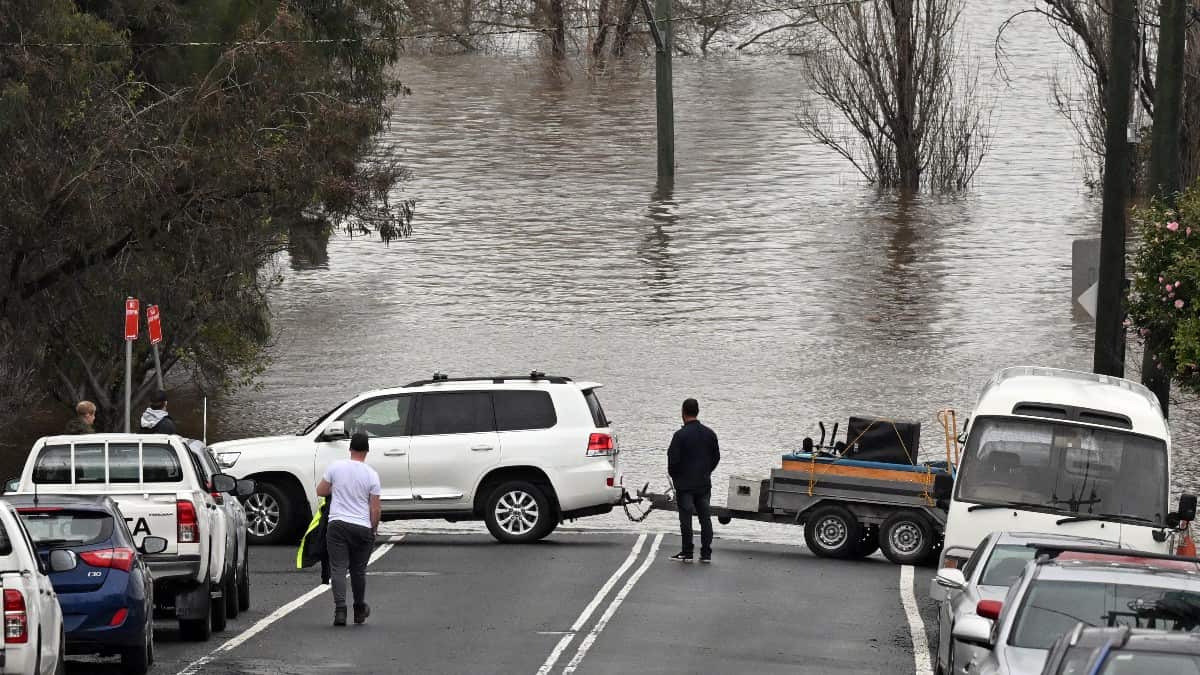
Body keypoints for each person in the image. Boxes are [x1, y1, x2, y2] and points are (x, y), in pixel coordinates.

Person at [316, 432, 381, 626]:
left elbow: (320, 490)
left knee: (338, 568)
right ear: (367, 451)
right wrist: (374, 528)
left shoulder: (336, 467)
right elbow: (375, 507)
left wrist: (335, 489)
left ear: (350, 449)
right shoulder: (371, 474)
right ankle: (359, 609)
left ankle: (340, 611)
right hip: (362, 527)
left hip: (337, 525)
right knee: (358, 571)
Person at [667, 398, 720, 563]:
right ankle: (706, 553)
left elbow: (672, 461)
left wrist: (677, 479)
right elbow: (716, 457)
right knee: (705, 517)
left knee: (686, 517)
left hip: (685, 485)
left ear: (683, 412)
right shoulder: (710, 434)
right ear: (698, 411)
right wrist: (706, 472)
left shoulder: (679, 435)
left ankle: (687, 552)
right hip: (703, 483)